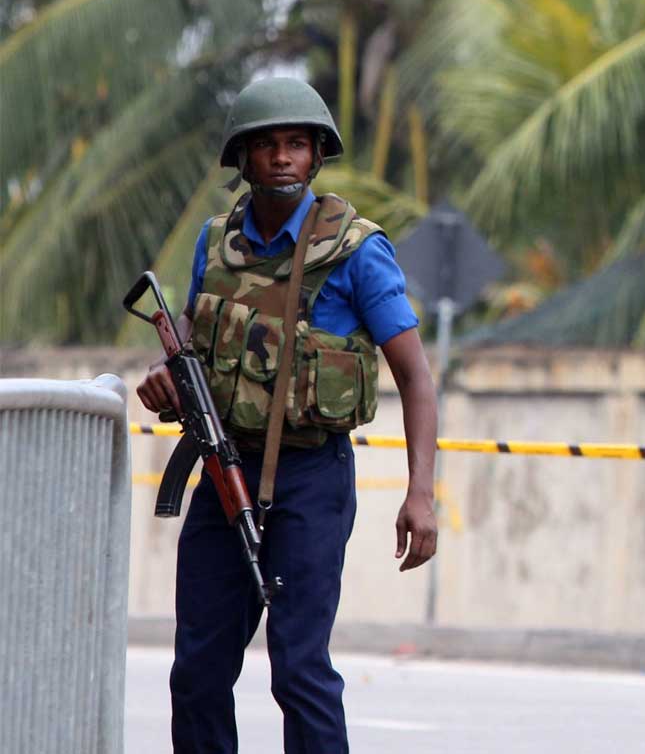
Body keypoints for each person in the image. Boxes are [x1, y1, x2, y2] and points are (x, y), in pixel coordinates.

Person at [136, 76, 439, 754]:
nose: (281, 158)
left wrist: (421, 494)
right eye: (266, 145)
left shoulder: (357, 250)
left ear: (317, 156)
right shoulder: (216, 243)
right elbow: (190, 327)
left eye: (296, 144)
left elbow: (417, 376)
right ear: (242, 160)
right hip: (224, 471)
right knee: (198, 672)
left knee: (300, 670)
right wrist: (166, 376)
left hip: (311, 478)